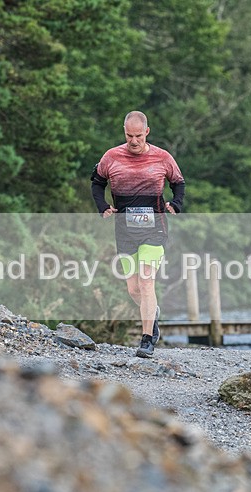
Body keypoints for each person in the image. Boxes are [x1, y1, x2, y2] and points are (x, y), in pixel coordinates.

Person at [91, 111, 185, 357]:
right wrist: (102, 206)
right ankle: (152, 312)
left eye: (138, 136)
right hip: (124, 231)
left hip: (154, 228)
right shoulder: (111, 157)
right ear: (125, 133)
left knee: (146, 281)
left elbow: (178, 183)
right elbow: (97, 182)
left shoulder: (162, 157)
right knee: (133, 289)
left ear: (147, 132)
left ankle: (146, 340)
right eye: (129, 135)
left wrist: (176, 203)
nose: (134, 141)